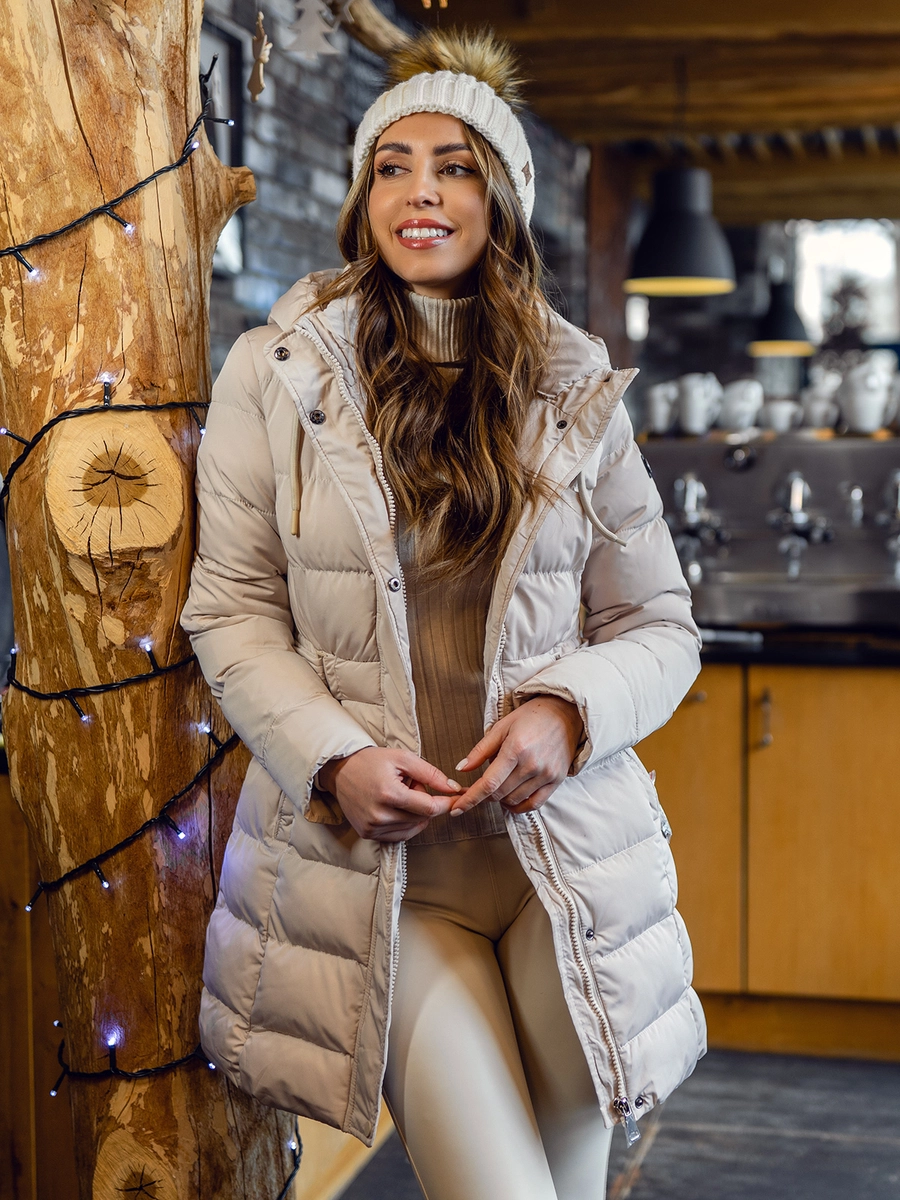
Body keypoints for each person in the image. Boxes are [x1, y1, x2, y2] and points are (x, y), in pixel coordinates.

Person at [181, 29, 706, 1200]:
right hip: (383, 880)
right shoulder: (277, 372)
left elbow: (662, 624)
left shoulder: (573, 380)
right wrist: (334, 759)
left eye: (456, 166)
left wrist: (568, 714)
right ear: (363, 194)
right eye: (394, 165)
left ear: (501, 199)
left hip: (562, 868)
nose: (421, 192)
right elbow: (231, 612)